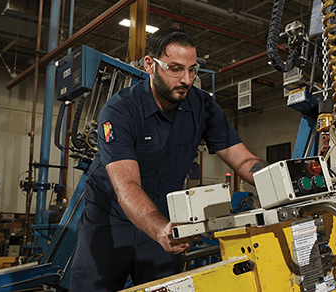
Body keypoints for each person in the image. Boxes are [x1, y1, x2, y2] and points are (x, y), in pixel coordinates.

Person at [70, 28, 265, 291]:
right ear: (150, 65)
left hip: (164, 221)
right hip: (110, 223)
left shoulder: (202, 107)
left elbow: (243, 161)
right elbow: (127, 186)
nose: (186, 79)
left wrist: (284, 183)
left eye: (192, 70)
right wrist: (161, 229)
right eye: (175, 68)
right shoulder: (120, 111)